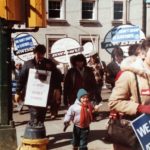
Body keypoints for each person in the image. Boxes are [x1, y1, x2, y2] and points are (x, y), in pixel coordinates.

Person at [108, 37, 150, 150]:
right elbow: (113, 102)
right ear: (143, 54)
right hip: (134, 129)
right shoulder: (129, 75)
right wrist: (140, 108)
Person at [15, 44, 62, 126]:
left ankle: (40, 131)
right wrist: (18, 91)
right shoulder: (28, 64)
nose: (39, 55)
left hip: (45, 95)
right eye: (37, 53)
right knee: (34, 114)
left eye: (41, 53)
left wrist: (58, 90)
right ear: (34, 53)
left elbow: (57, 78)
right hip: (31, 95)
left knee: (42, 115)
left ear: (44, 54)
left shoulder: (50, 64)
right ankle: (33, 131)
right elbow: (21, 79)